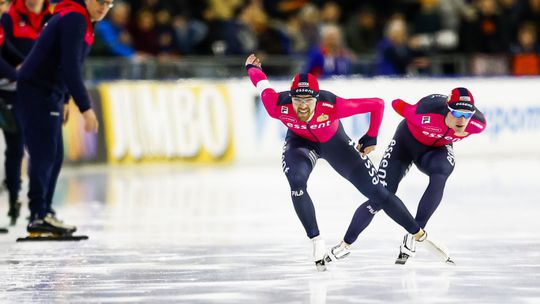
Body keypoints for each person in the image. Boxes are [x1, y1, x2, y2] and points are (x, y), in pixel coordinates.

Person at [245, 53, 439, 271]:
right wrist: (252, 68)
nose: (302, 106)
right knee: (297, 182)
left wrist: (371, 136)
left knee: (378, 194)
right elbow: (261, 83)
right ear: (290, 98)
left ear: (317, 98)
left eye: (307, 100)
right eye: (297, 100)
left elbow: (377, 104)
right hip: (300, 144)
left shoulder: (333, 105)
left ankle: (418, 235)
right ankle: (316, 241)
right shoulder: (276, 105)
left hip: (335, 144)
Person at [337, 87, 487, 264]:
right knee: (381, 195)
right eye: (456, 112)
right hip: (406, 144)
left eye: (467, 114)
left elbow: (468, 121)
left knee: (441, 173)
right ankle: (345, 244)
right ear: (447, 108)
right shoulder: (424, 112)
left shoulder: (477, 124)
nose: (462, 120)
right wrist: (372, 136)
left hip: (435, 151)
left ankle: (413, 234)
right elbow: (396, 104)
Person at [14, 0, 111, 237]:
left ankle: (44, 212)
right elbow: (69, 66)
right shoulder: (75, 18)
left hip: (50, 91)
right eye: (100, 1)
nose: (104, 7)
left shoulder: (85, 20)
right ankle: (38, 215)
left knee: (55, 154)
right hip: (37, 89)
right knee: (45, 152)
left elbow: (68, 62)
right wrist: (85, 107)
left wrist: (66, 99)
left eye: (109, 3)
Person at [1, 0, 52, 225]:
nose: (4, 8)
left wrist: (24, 66)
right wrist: (19, 73)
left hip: (16, 91)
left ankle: (13, 200)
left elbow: (4, 48)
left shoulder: (50, 16)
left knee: (16, 145)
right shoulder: (10, 17)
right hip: (10, 87)